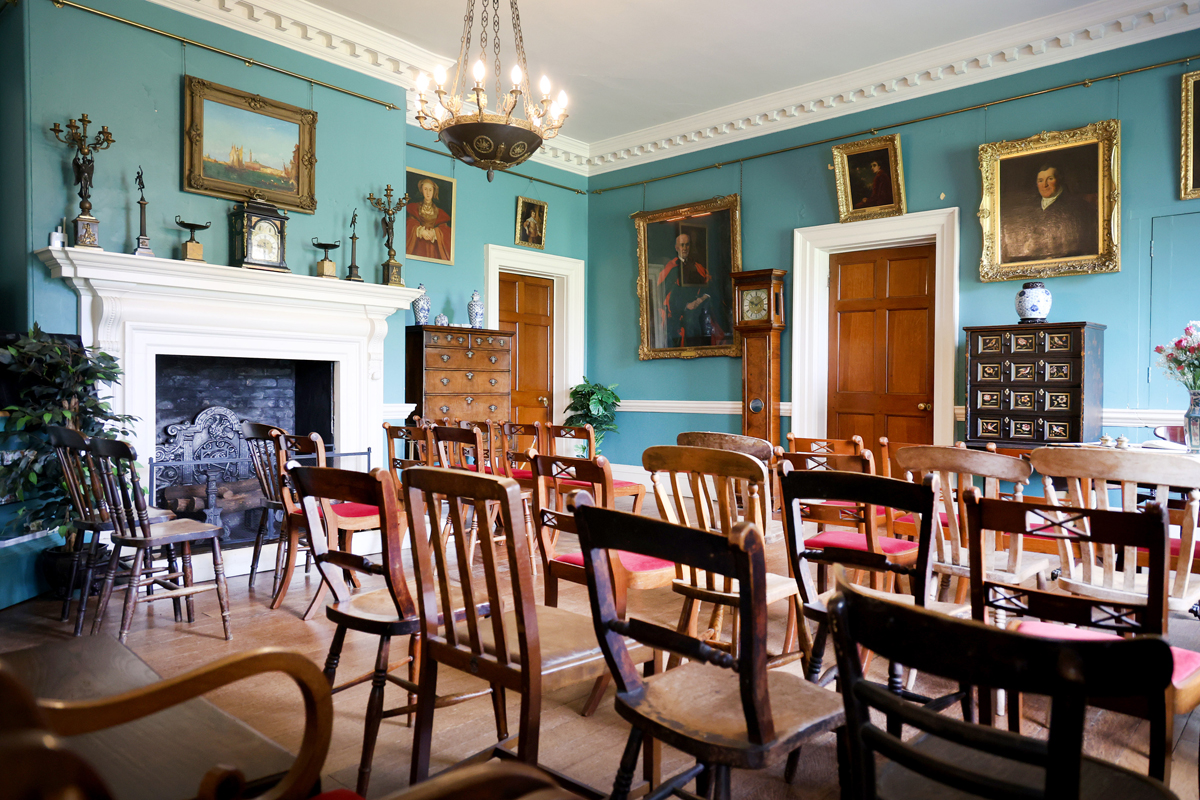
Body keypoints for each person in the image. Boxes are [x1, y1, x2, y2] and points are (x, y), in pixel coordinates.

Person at [1001, 163, 1098, 263]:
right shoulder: (1027, 208)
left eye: (1050, 179)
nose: (1045, 185)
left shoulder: (1077, 205)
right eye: (1040, 180)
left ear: (1059, 180)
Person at [656, 233, 728, 348]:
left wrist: (702, 299)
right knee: (688, 323)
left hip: (699, 305)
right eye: (682, 245)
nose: (685, 248)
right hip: (677, 310)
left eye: (687, 245)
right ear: (676, 248)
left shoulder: (697, 267)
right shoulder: (672, 268)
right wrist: (686, 305)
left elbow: (710, 287)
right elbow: (665, 294)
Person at [405, 177, 452, 261]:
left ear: (434, 191)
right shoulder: (414, 207)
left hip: (434, 247)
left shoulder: (439, 212)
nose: (428, 193)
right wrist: (420, 231)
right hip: (418, 245)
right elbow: (410, 223)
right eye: (425, 189)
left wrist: (435, 233)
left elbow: (445, 229)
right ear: (421, 190)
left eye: (430, 190)